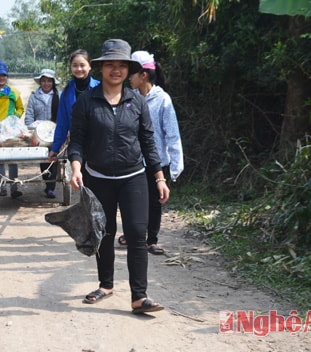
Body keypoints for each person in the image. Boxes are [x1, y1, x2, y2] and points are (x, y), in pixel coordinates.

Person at [68, 39, 170, 314]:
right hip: (98, 177)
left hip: (133, 176)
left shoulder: (137, 100)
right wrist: (76, 167)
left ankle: (139, 297)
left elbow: (148, 141)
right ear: (100, 68)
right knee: (104, 233)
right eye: (110, 65)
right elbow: (77, 140)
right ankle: (106, 284)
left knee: (137, 233)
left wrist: (159, 177)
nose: (116, 70)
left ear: (128, 69)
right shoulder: (86, 102)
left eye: (122, 65)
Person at [118, 51, 184, 255]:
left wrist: (175, 164)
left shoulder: (163, 100)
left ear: (143, 75)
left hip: (157, 162)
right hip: (133, 160)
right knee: (132, 201)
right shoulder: (128, 98)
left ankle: (151, 240)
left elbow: (172, 133)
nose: (128, 77)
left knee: (155, 203)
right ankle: (131, 234)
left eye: (132, 72)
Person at [48, 49, 100, 161]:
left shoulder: (100, 89)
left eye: (82, 65)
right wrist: (55, 148)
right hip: (77, 145)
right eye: (75, 65)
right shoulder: (66, 92)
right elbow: (62, 122)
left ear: (89, 66)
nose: (79, 69)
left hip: (99, 144)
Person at [0, 61, 25, 199]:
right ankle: (2, 186)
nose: (1, 78)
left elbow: (20, 108)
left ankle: (14, 187)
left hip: (11, 130)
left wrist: (14, 118)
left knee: (13, 159)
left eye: (4, 75)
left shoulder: (14, 93)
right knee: (0, 159)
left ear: (7, 76)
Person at [25, 69, 61, 198]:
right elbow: (29, 117)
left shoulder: (59, 96)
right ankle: (47, 183)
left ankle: (51, 187)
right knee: (44, 160)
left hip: (56, 133)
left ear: (53, 82)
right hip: (40, 134)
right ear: (40, 81)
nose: (46, 84)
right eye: (44, 81)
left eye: (49, 81)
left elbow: (64, 115)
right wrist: (32, 132)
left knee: (55, 158)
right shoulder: (34, 96)